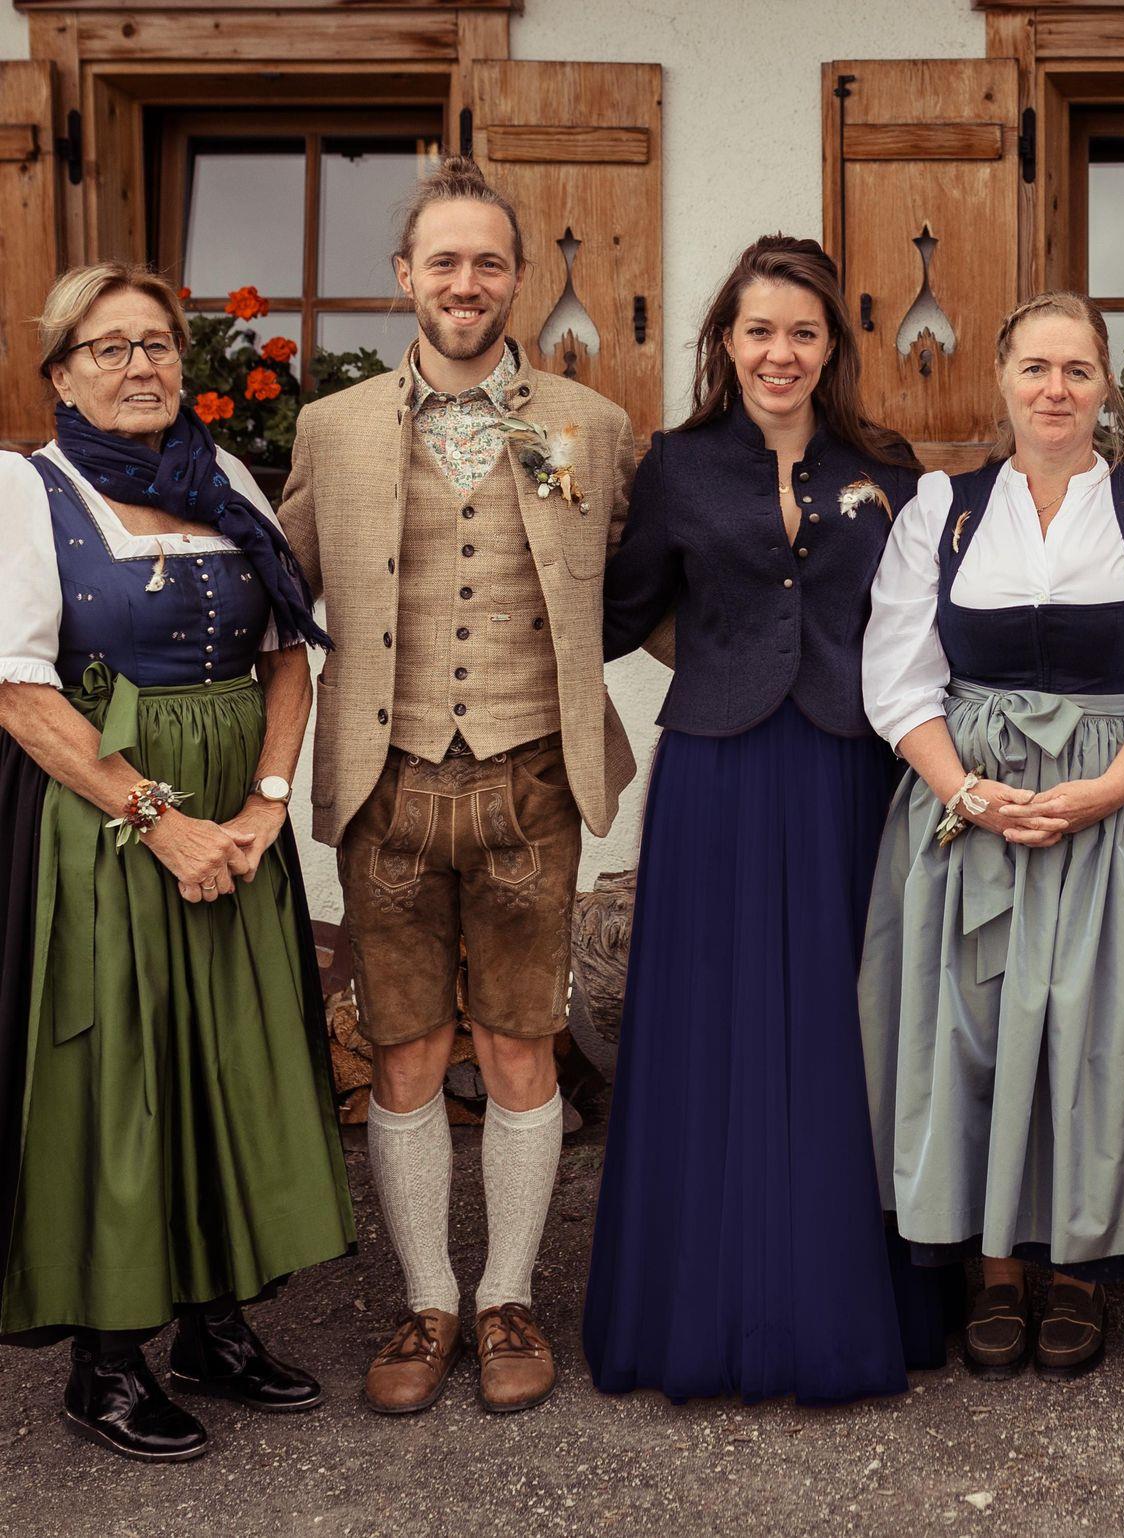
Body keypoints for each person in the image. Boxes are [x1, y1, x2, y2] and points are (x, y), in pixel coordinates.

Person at [278, 157, 638, 1416]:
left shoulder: (586, 424)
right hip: (386, 777)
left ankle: (507, 1297)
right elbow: (280, 590)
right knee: (405, 1046)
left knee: (524, 1041)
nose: (466, 281)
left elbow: (637, 582)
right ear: (405, 277)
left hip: (531, 776)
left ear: (518, 277)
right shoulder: (330, 426)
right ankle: (428, 1296)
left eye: (489, 260)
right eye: (444, 260)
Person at [860, 291, 1124, 1380]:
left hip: (1121, 801)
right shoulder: (941, 508)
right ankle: (994, 1268)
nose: (1054, 389)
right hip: (970, 805)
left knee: (1102, 1033)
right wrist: (965, 792)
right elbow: (897, 673)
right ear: (1000, 379)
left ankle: (1080, 1269)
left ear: (1104, 388)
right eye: (1034, 368)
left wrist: (1103, 790)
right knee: (978, 1027)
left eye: (1076, 370)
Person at [584, 236, 948, 1404]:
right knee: (715, 1028)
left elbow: (928, 618)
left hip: (851, 769)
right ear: (725, 343)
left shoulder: (883, 466)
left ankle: (854, 1301)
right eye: (758, 331)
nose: (778, 352)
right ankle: (703, 1307)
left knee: (850, 1027)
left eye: (802, 331)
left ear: (831, 345)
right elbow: (619, 610)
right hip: (718, 775)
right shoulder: (678, 465)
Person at [0, 263, 353, 1461]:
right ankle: (105, 1360)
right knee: (124, 1072)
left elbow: (288, 653)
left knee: (229, 1058)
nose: (140, 364)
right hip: (104, 819)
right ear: (62, 375)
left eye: (156, 343)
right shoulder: (27, 490)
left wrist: (264, 804)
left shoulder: (224, 476)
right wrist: (160, 819)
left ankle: (214, 1325)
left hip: (233, 819)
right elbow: (21, 692)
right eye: (108, 347)